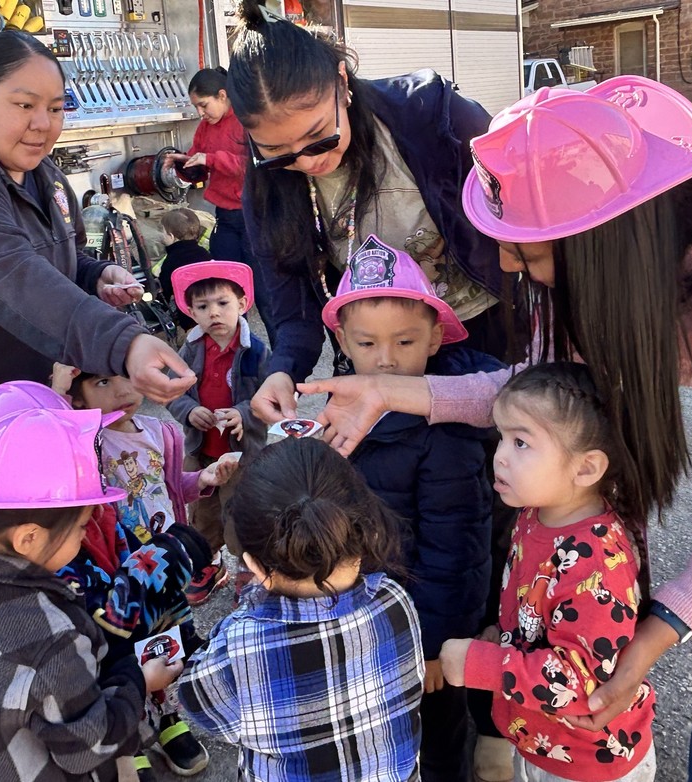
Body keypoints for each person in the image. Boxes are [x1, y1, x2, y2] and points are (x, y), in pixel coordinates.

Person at [301, 77, 692, 781]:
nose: (506, 265)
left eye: (527, 251)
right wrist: (386, 390)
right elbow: (529, 393)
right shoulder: (613, 273)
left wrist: (657, 631)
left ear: (601, 241)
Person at [0, 34, 194, 756]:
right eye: (23, 105)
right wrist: (118, 342)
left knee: (16, 567)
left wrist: (94, 278)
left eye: (56, 107)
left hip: (7, 418)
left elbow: (48, 253)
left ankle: (44, 692)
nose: (42, 123)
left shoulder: (39, 172)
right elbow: (5, 272)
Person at [228, 0, 525, 427]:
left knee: (496, 459)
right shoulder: (265, 189)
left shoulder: (434, 116)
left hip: (483, 329)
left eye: (318, 138)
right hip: (377, 356)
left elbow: (525, 223)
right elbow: (291, 306)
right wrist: (283, 370)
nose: (308, 161)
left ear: (342, 83)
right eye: (278, 154)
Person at [0, 406, 184, 780]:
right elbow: (88, 749)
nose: (86, 533)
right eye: (81, 526)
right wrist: (139, 682)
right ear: (29, 537)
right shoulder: (47, 634)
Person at [321, 233, 501, 780]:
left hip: (425, 637)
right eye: (368, 343)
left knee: (438, 740)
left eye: (404, 342)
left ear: (434, 339)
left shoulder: (444, 428)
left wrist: (434, 646)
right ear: (343, 341)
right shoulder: (340, 406)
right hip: (361, 620)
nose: (386, 360)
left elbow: (458, 551)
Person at [439, 363, 657, 782]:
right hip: (541, 740)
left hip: (587, 762)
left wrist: (481, 664)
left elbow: (581, 680)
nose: (499, 455)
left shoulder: (595, 561)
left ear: (586, 468)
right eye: (501, 437)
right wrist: (503, 638)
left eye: (521, 442)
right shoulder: (535, 514)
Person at [177, 437, 425, 782]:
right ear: (363, 525)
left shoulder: (237, 648)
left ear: (253, 565)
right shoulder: (395, 599)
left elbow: (202, 707)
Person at [165, 261, 269, 603]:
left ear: (241, 304)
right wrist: (189, 410)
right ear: (192, 312)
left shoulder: (254, 350)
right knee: (202, 513)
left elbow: (268, 394)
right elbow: (172, 390)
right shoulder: (191, 348)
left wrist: (243, 413)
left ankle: (247, 567)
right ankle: (208, 563)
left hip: (242, 454)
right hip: (201, 449)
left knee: (240, 511)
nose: (214, 313)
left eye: (222, 303)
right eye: (203, 306)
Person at [165, 67, 274, 338]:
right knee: (226, 290)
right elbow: (198, 165)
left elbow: (256, 166)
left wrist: (210, 159)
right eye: (197, 108)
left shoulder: (247, 121)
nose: (201, 113)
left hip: (255, 216)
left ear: (222, 95)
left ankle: (282, 360)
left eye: (203, 105)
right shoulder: (205, 127)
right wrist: (181, 164)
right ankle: (234, 354)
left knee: (263, 292)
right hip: (225, 217)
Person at [158, 208, 213, 331]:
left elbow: (164, 291)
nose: (161, 235)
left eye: (163, 231)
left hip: (189, 318)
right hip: (212, 309)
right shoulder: (204, 254)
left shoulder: (171, 261)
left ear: (171, 236)